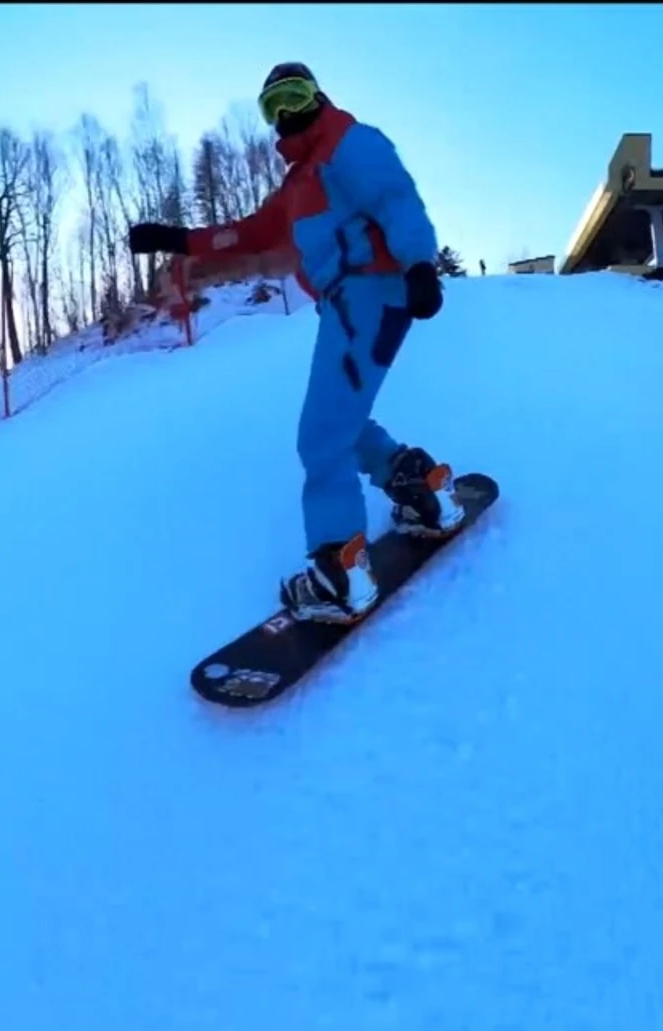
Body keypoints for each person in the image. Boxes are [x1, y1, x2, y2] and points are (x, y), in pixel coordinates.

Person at [127, 62, 465, 624]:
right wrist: (178, 238)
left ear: (318, 94)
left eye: (294, 96)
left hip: (372, 295)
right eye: (273, 106)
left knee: (321, 436)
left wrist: (420, 264)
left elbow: (396, 198)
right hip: (344, 306)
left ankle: (341, 570)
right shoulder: (298, 184)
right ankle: (417, 485)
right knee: (341, 423)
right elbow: (249, 233)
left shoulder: (350, 143)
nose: (286, 113)